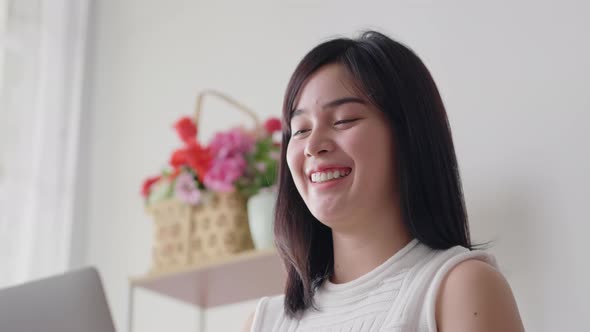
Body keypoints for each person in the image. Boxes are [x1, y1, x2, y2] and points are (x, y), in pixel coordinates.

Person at [243, 30, 524, 332]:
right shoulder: (265, 323)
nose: (313, 145)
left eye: (343, 120)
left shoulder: (458, 288)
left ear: (409, 136)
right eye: (300, 130)